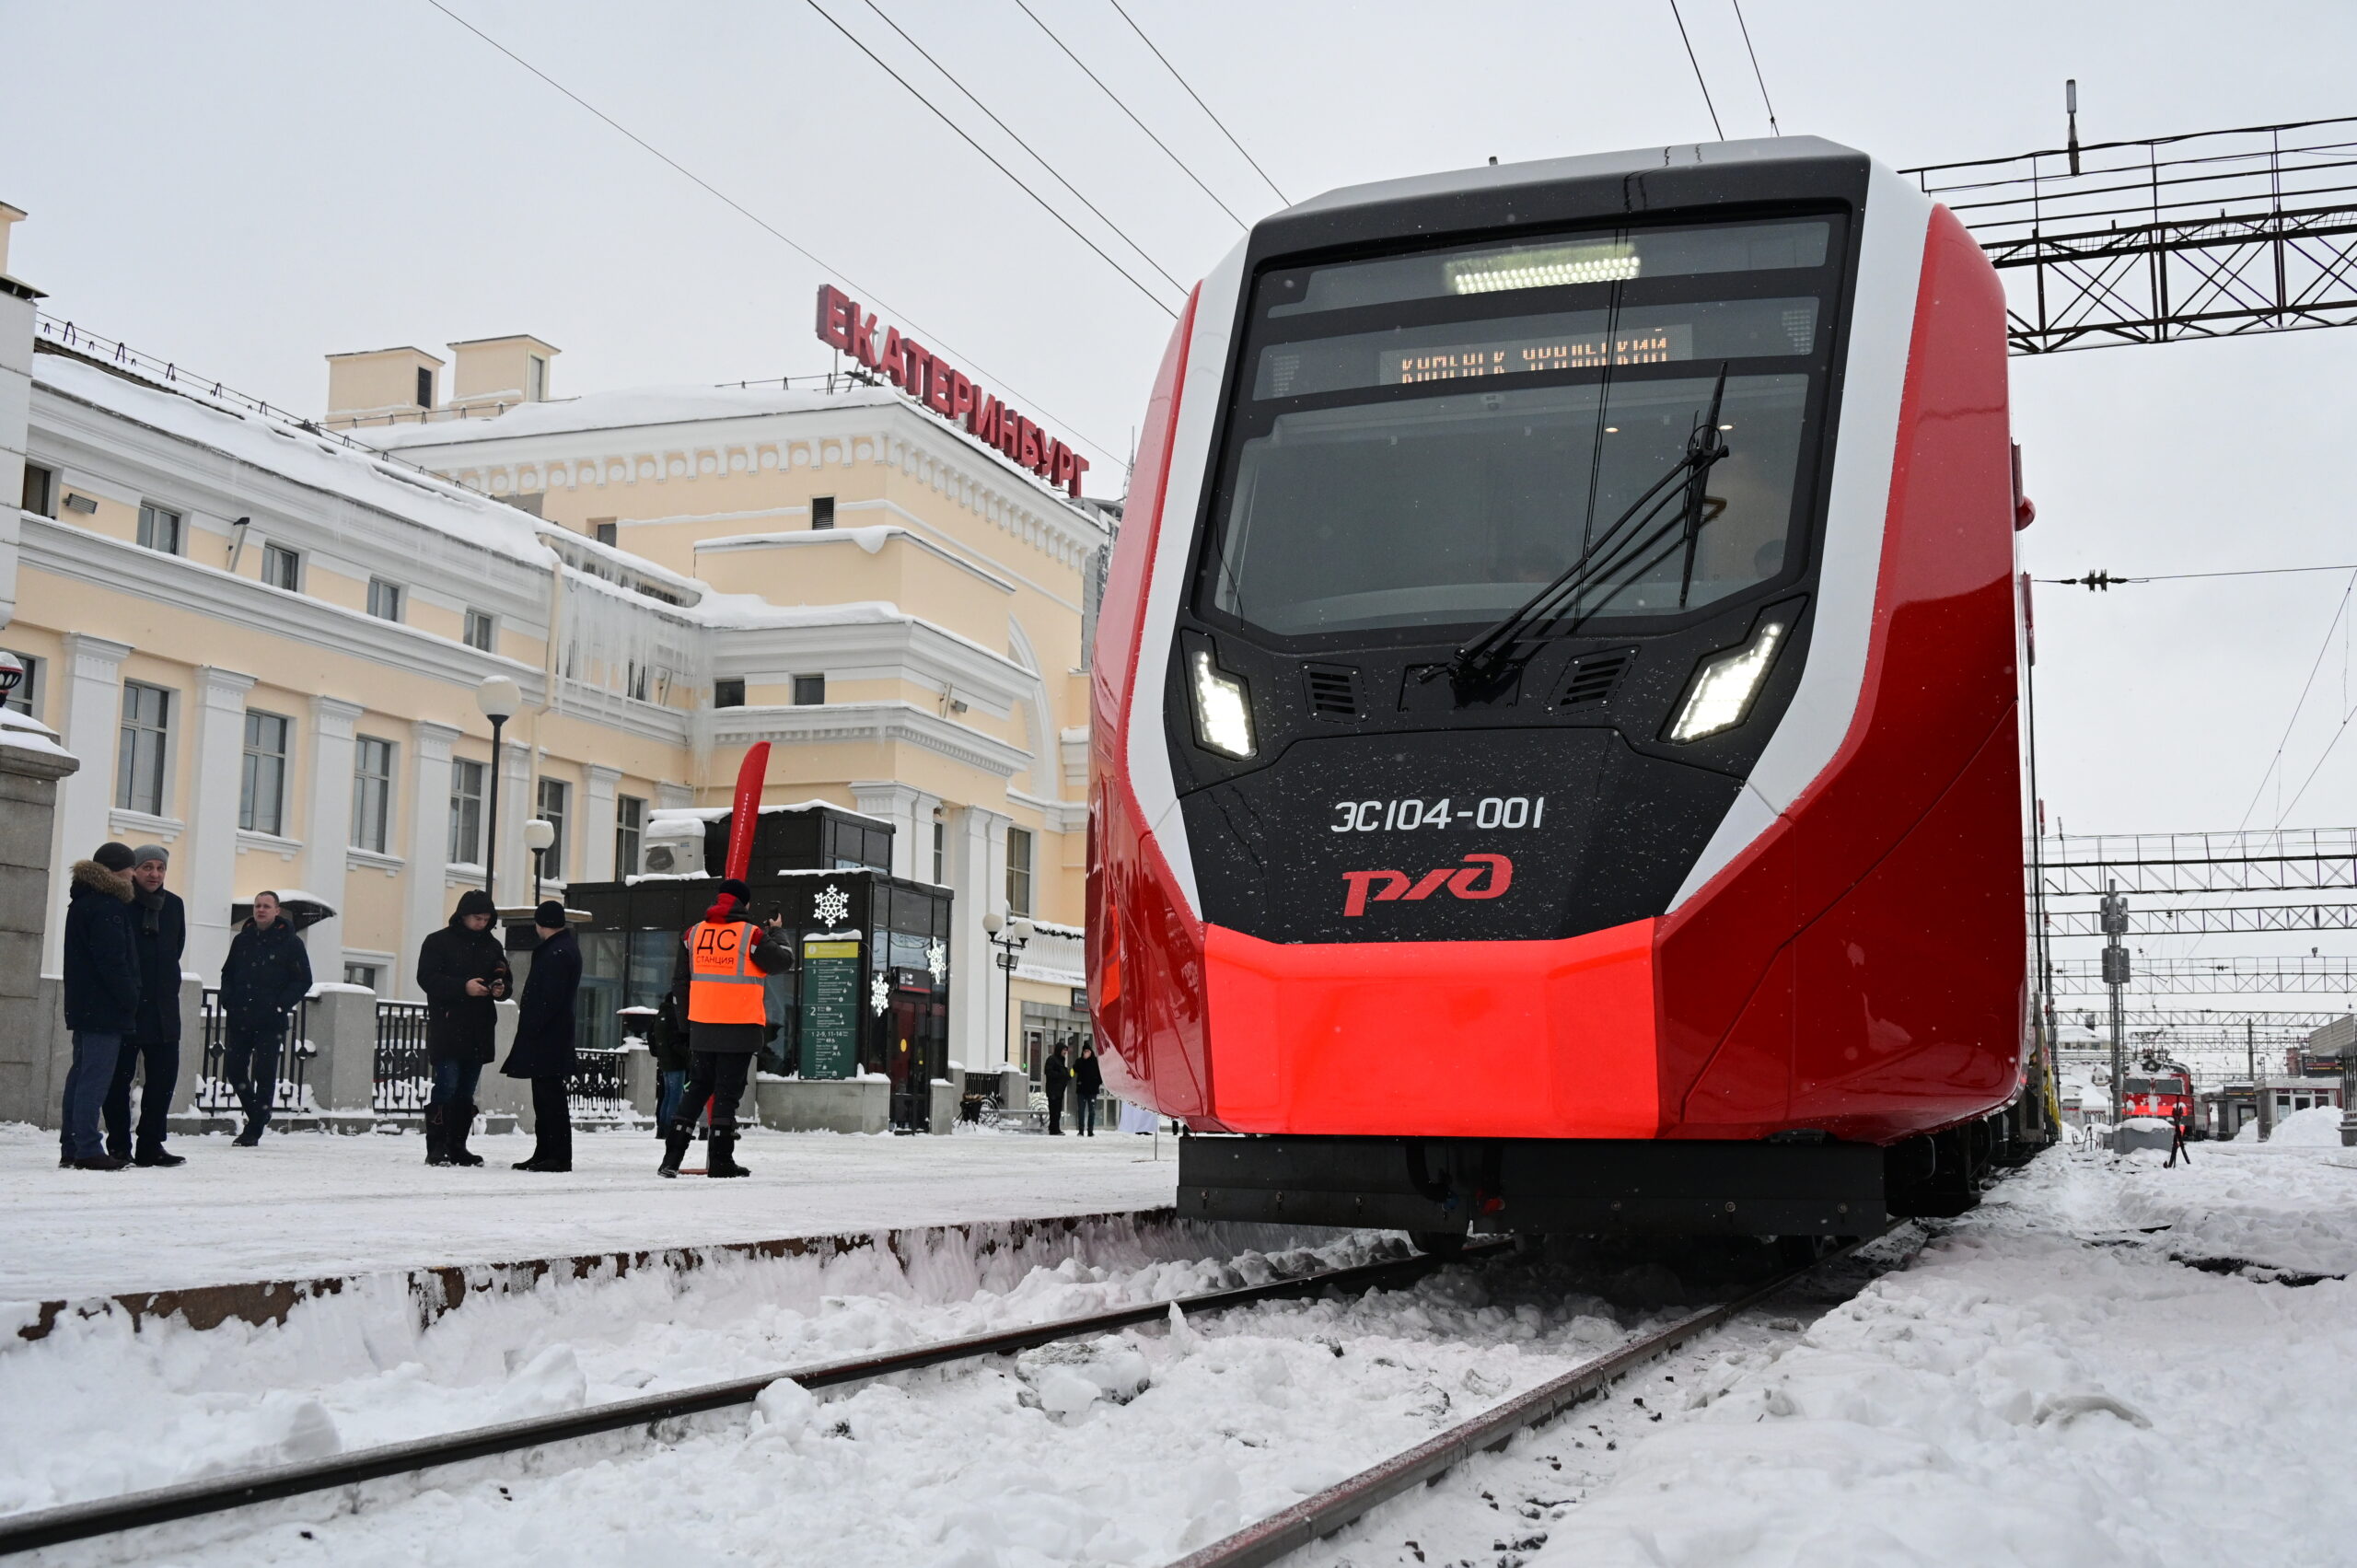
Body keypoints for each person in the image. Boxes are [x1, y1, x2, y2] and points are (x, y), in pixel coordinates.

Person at [661, 878, 791, 1179]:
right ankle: (721, 1160)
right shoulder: (751, 934)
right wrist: (777, 932)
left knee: (697, 1089)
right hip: (740, 1027)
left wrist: (686, 1026)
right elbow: (783, 961)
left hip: (703, 1027)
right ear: (745, 904)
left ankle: (671, 1159)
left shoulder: (693, 934)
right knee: (727, 1094)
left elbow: (680, 982)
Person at [60, 842, 143, 1170]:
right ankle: (87, 1149)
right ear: (116, 870)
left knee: (81, 1076)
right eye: (131, 867)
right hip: (104, 1008)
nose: (134, 874)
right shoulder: (108, 906)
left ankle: (72, 1146)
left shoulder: (83, 902)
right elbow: (112, 961)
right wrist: (130, 997)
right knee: (94, 1079)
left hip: (85, 1004)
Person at [103, 844, 187, 1167]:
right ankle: (118, 1145)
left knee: (163, 1081)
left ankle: (151, 1145)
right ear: (134, 871)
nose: (155, 874)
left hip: (164, 1007)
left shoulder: (174, 905)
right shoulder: (120, 902)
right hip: (128, 1006)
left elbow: (176, 948)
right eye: (147, 867)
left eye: (160, 868)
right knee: (118, 1080)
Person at [416, 888, 509, 1167]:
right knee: (447, 1084)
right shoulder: (438, 942)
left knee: (466, 1090)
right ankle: (436, 1147)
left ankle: (458, 1146)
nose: (482, 923)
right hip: (448, 1026)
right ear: (463, 916)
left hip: (479, 1028)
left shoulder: (492, 946)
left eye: (486, 919)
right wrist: (463, 987)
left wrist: (500, 988)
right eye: (477, 918)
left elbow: (504, 975)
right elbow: (427, 978)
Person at [216, 890, 314, 1147]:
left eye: (266, 906)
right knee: (234, 1069)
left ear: (277, 911)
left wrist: (279, 1005)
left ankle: (253, 1130)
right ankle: (259, 1113)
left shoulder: (291, 943)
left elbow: (303, 980)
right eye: (257, 905)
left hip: (271, 1021)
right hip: (240, 1017)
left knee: (265, 1073)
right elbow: (228, 973)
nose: (261, 910)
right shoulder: (242, 940)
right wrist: (228, 999)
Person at [503, 900, 580, 1172]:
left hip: (548, 1036)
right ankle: (545, 1152)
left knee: (550, 1099)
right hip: (552, 1034)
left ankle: (556, 1155)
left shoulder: (557, 952)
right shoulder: (561, 948)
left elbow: (549, 997)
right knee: (545, 1097)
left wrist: (532, 1026)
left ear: (540, 923)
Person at [1074, 1042, 1103, 1137]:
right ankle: (1081, 1130)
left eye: (1087, 1051)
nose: (1086, 1053)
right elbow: (1075, 1069)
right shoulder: (1079, 1061)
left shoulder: (1096, 1061)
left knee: (1092, 1111)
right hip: (1082, 1090)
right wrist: (1082, 1060)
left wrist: (1097, 1083)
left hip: (1092, 1091)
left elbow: (1100, 1074)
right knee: (1081, 1111)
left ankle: (1090, 1130)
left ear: (1091, 1052)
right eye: (1084, 1051)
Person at [1042, 1042, 1070, 1136]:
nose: (1065, 1052)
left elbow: (1062, 1072)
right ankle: (1054, 1129)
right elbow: (1048, 1072)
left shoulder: (1061, 1060)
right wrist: (1061, 1075)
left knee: (1057, 1111)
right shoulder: (1052, 1059)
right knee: (1054, 1111)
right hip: (1053, 1090)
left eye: (1066, 1050)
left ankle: (1054, 1128)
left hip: (1059, 1091)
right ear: (1059, 1050)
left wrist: (1067, 1075)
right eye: (1064, 1050)